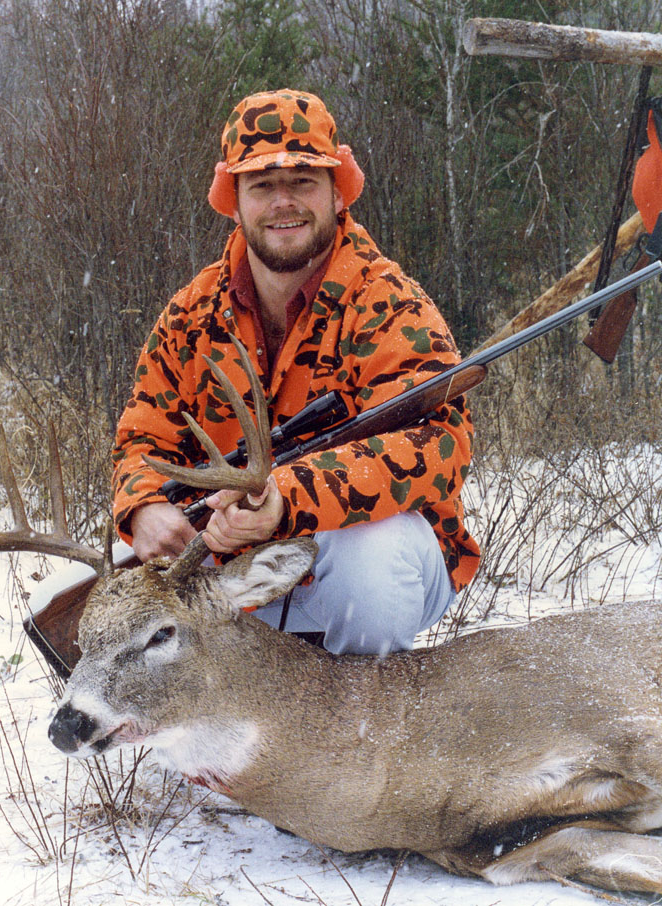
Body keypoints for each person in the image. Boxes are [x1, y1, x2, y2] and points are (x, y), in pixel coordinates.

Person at [112, 88, 479, 655]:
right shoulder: (191, 312)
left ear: (338, 193)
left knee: (369, 570)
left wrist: (288, 497)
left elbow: (437, 448)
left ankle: (364, 719)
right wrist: (145, 507)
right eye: (262, 185)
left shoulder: (388, 302)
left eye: (304, 181)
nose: (284, 202)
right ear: (233, 201)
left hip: (363, 553)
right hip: (237, 564)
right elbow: (143, 436)